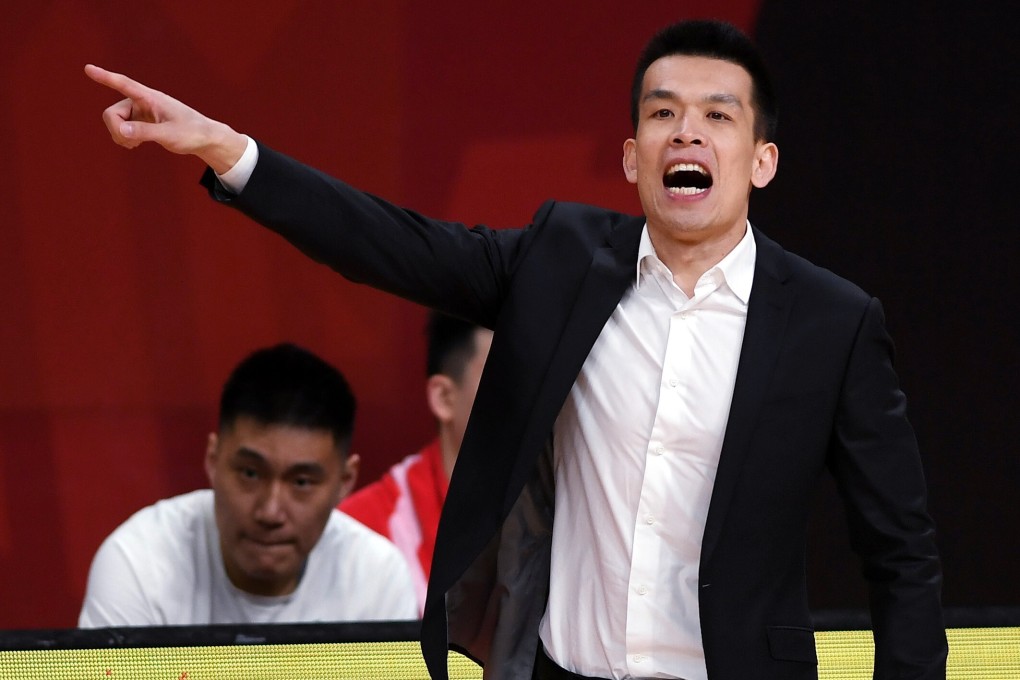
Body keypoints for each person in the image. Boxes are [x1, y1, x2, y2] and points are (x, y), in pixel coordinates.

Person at [85, 17, 947, 679]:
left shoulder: (833, 322)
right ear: (629, 155)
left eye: (716, 116)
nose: (686, 132)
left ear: (760, 160)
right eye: (662, 114)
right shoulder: (561, 259)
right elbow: (389, 242)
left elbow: (900, 553)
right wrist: (229, 153)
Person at [78, 343, 417, 626]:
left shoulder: (377, 579)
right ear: (213, 459)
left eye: (301, 482)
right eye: (250, 474)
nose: (270, 511)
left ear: (344, 482)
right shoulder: (140, 563)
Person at [341, 312, 493, 613]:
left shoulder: (572, 514)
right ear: (444, 398)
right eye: (506, 376)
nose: (532, 397)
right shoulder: (361, 532)